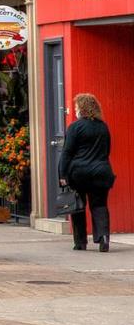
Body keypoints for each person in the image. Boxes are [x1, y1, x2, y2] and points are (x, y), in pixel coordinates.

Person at [60, 92, 116, 252]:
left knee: (77, 206)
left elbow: (67, 152)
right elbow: (107, 150)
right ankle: (103, 237)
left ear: (82, 109)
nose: (75, 110)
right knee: (100, 205)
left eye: (76, 107)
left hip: (79, 173)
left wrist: (63, 175)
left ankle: (80, 242)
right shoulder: (103, 126)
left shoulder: (75, 127)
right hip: (101, 172)